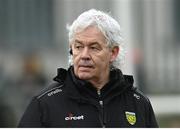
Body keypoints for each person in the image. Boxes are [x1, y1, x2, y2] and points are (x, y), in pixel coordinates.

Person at [18, 9, 158, 127]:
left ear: (113, 52)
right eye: (78, 47)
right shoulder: (44, 104)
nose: (84, 55)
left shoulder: (138, 103)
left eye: (93, 47)